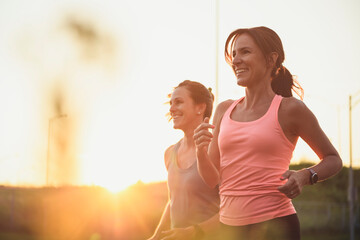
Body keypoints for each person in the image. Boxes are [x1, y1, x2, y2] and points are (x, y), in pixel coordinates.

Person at [193, 26, 343, 240]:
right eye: (234, 54)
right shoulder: (223, 110)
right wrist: (200, 151)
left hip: (276, 227)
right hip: (228, 229)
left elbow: (333, 159)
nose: (236, 60)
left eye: (245, 52)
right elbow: (211, 180)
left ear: (270, 59)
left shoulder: (290, 109)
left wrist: (304, 176)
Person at [148, 80, 220, 240]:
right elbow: (173, 200)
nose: (171, 109)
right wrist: (156, 236)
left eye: (179, 102)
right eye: (171, 103)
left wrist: (192, 232)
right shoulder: (169, 153)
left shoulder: (217, 150)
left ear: (200, 107)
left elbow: (234, 208)